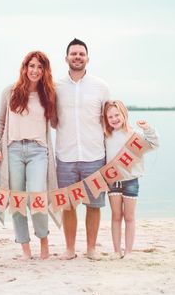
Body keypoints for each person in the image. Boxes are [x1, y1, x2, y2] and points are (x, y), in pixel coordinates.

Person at [0, 51, 57, 260]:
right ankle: (25, 249)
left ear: (45, 70)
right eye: (32, 66)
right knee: (17, 200)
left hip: (39, 150)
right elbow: (0, 121)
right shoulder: (10, 92)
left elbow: (56, 122)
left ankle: (44, 242)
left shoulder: (49, 94)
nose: (35, 71)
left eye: (40, 67)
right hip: (13, 150)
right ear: (25, 67)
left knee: (37, 196)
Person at [54, 38, 110, 260]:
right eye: (73, 53)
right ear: (66, 58)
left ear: (87, 58)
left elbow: (109, 120)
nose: (77, 57)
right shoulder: (55, 86)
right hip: (65, 155)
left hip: (95, 155)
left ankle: (91, 248)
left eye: (81, 54)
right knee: (68, 205)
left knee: (93, 205)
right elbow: (50, 118)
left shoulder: (101, 86)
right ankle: (69, 248)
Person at [102, 100, 159, 259]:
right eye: (110, 116)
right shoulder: (106, 136)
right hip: (112, 182)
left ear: (124, 114)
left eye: (117, 115)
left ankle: (128, 252)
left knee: (129, 217)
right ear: (106, 119)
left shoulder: (134, 134)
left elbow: (154, 144)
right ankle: (116, 251)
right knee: (115, 216)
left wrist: (147, 129)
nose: (114, 119)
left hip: (131, 181)